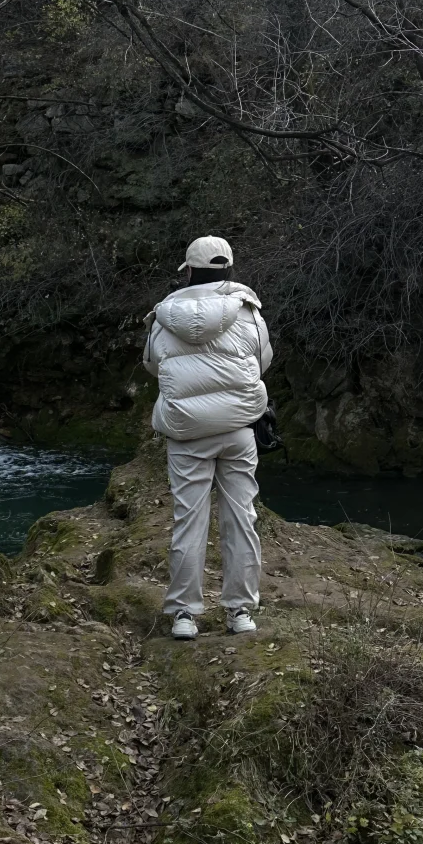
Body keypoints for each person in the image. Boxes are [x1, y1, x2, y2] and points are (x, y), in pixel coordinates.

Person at [142, 235, 273, 640]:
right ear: (228, 268)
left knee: (189, 522)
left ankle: (184, 615)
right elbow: (263, 359)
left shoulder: (164, 315)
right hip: (237, 430)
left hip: (187, 433)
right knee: (241, 519)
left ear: (189, 270)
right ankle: (240, 613)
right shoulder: (248, 310)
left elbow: (152, 365)